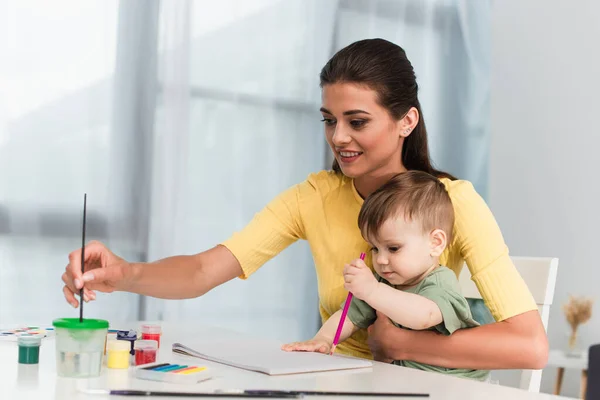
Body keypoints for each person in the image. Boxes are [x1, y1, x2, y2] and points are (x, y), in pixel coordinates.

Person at [61, 38, 548, 370]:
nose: (339, 138)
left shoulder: (454, 203)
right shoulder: (314, 196)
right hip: (335, 382)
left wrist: (403, 343)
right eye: (328, 119)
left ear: (406, 121)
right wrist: (124, 275)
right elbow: (204, 270)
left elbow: (529, 347)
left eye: (357, 121)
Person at [282, 171, 488, 381]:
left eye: (393, 248)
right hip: (408, 382)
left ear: (435, 243)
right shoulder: (382, 282)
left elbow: (423, 316)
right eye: (375, 248)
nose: (380, 259)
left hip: (457, 384)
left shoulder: (441, 281)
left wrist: (372, 290)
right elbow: (349, 316)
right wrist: (324, 339)